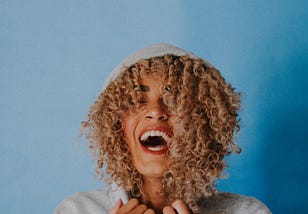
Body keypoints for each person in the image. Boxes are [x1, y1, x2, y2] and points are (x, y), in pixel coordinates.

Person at [54, 43, 271, 214]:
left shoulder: (248, 211)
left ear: (203, 124)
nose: (156, 111)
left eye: (174, 99)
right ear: (114, 124)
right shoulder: (76, 210)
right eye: (138, 100)